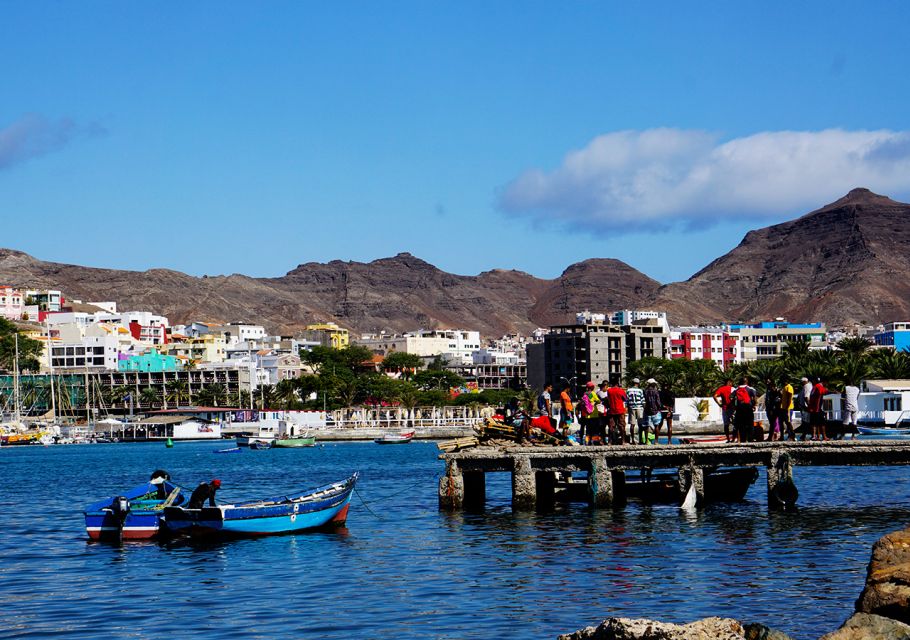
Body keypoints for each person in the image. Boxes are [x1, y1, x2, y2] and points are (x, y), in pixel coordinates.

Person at [732, 377, 757, 442]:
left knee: (741, 424)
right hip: (748, 408)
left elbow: (731, 397)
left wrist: (734, 406)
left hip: (739, 409)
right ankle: (750, 439)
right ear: (747, 382)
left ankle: (743, 439)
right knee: (750, 424)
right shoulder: (750, 389)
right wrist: (754, 405)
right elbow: (754, 397)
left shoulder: (737, 389)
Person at [606, 377, 628, 445]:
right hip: (620, 410)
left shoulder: (609, 391)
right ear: (617, 383)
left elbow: (608, 399)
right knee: (622, 426)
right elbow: (625, 399)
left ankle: (610, 441)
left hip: (612, 410)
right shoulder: (621, 390)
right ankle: (623, 441)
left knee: (611, 427)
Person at [643, 379, 663, 444]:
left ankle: (646, 441)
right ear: (653, 384)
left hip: (647, 411)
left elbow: (644, 400)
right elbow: (658, 401)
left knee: (646, 426)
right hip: (655, 411)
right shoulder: (656, 391)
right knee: (656, 425)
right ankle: (656, 441)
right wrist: (659, 408)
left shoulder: (645, 391)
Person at [626, 378, 645, 444]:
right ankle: (640, 440)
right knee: (640, 424)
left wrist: (627, 407)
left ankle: (633, 440)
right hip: (639, 408)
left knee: (632, 425)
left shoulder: (628, 390)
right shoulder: (640, 390)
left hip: (631, 408)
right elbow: (642, 400)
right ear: (638, 383)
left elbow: (627, 400)